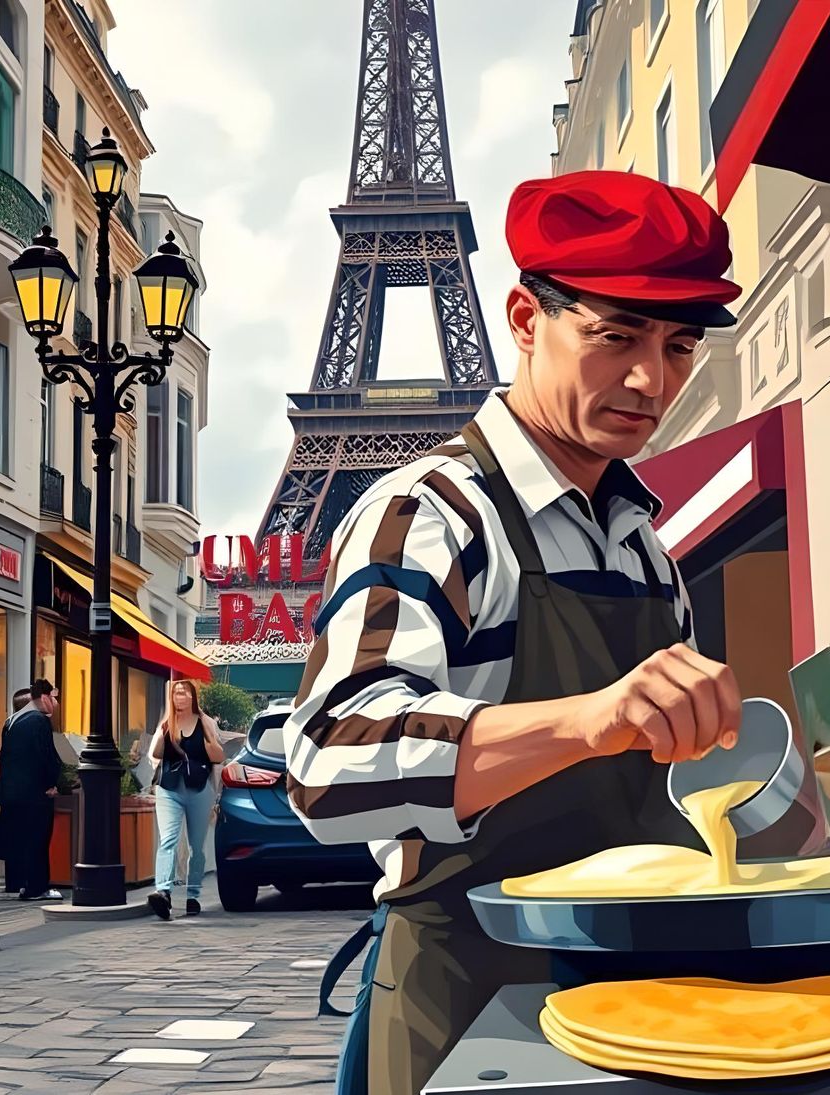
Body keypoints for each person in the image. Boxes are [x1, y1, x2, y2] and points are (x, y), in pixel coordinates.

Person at [286, 171, 755, 1095]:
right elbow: (328, 761)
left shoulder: (642, 545)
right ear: (524, 317)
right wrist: (589, 719)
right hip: (473, 1008)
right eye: (614, 334)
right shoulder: (427, 512)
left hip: (644, 1003)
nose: (648, 379)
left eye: (677, 345)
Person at [146, 679, 225, 920]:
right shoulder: (166, 723)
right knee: (168, 839)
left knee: (196, 847)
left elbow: (219, 757)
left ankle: (193, 894)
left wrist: (217, 796)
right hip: (169, 788)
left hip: (199, 789)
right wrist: (166, 730)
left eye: (184, 692)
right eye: (176, 692)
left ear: (193, 697)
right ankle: (164, 892)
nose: (180, 696)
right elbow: (156, 755)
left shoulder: (206, 722)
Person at [0, 680, 63, 901]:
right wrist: (52, 784)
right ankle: (37, 888)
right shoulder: (39, 721)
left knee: (24, 840)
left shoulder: (11, 722)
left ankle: (24, 885)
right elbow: (45, 756)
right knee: (38, 839)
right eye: (53, 698)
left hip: (14, 793)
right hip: (36, 794)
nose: (55, 703)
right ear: (43, 698)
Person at [0, 688, 35, 888]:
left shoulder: (12, 724)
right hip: (18, 790)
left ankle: (14, 881)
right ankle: (19, 880)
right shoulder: (25, 726)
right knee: (21, 835)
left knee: (13, 835)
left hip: (10, 791)